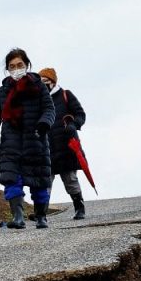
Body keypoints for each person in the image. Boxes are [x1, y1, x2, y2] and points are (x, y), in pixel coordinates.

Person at [0, 48, 56, 229]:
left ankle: (41, 217)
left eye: (20, 65)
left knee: (39, 180)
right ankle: (18, 217)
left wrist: (43, 123)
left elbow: (49, 109)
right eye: (12, 66)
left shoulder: (39, 86)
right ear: (8, 69)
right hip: (11, 143)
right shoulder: (2, 91)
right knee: (11, 179)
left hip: (36, 140)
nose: (16, 69)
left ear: (27, 65)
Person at [39, 67, 88, 220]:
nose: (44, 84)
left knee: (70, 180)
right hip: (46, 148)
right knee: (45, 183)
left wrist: (74, 124)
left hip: (67, 146)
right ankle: (42, 213)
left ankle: (79, 208)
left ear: (53, 82)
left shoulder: (66, 95)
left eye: (46, 81)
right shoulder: (38, 101)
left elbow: (80, 114)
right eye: (41, 82)